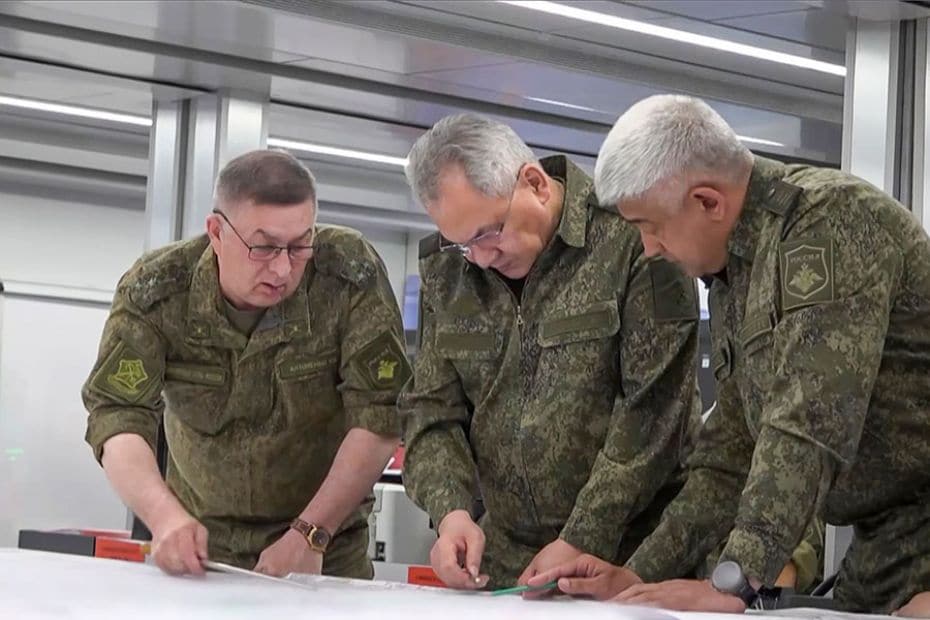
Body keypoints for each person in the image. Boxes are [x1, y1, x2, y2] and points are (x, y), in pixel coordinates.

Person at [527, 94, 930, 615]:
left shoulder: (827, 225)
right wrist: (641, 574)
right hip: (891, 536)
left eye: (651, 226)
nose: (650, 249)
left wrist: (736, 580)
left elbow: (809, 419)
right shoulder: (735, 273)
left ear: (708, 202)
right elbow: (731, 448)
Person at [398, 113, 701, 590]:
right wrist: (451, 511)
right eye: (462, 245)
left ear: (535, 184)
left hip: (631, 559)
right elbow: (432, 410)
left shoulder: (634, 238)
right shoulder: (449, 271)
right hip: (506, 567)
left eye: (486, 233)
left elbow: (655, 415)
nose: (479, 258)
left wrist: (584, 534)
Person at [82, 149, 410, 579]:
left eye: (298, 247)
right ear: (217, 232)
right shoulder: (157, 289)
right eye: (264, 246)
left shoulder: (347, 273)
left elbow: (381, 413)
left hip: (323, 550)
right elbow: (117, 415)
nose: (281, 268)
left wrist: (311, 532)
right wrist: (163, 517)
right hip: (201, 550)